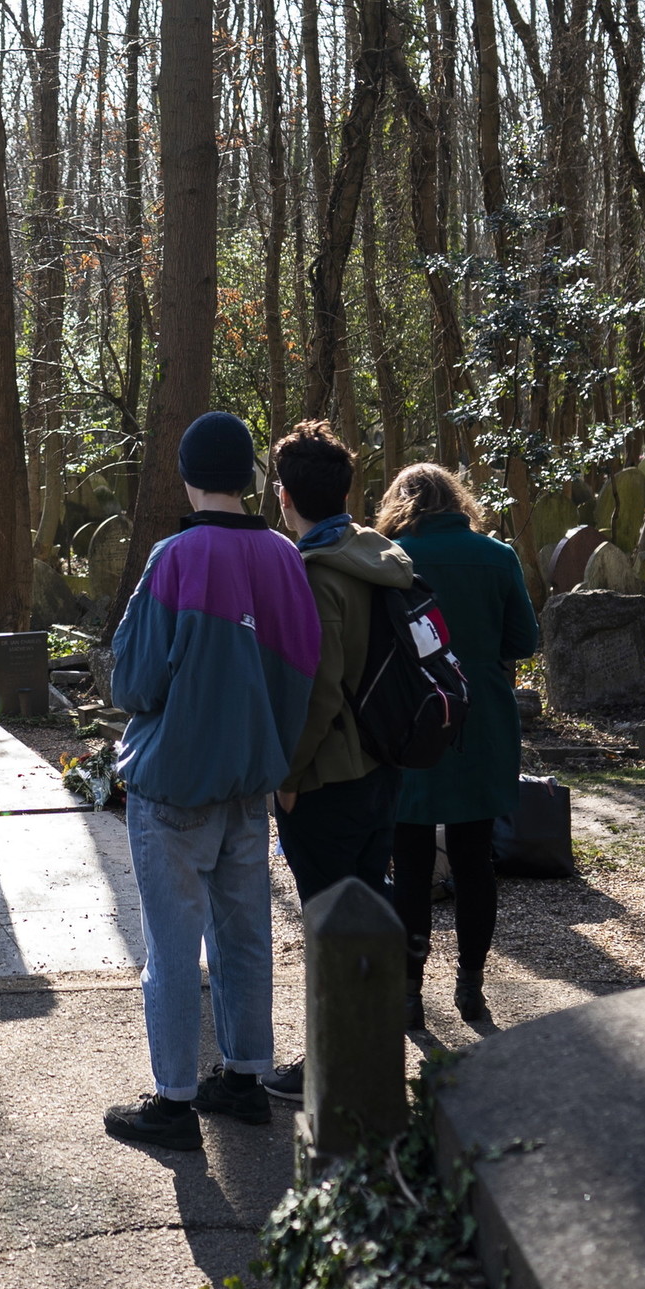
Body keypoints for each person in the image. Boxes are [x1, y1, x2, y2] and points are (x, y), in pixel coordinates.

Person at [102, 411, 321, 1152]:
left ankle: (173, 1100)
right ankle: (246, 1078)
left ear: (190, 477)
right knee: (244, 933)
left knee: (171, 945)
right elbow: (302, 680)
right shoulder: (288, 558)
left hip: (173, 786)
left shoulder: (175, 558)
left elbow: (131, 681)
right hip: (249, 783)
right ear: (250, 477)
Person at [256, 423, 416, 1105]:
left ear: (284, 497)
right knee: (369, 904)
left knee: (331, 920)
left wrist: (287, 779)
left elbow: (319, 694)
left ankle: (333, 1063)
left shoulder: (317, 573)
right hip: (383, 761)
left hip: (328, 778)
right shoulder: (378, 552)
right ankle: (376, 1041)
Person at [372, 464, 537, 1036]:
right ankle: (471, 983)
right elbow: (524, 639)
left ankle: (411, 992)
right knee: (474, 861)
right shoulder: (497, 556)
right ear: (455, 499)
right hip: (481, 722)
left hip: (411, 722)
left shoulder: (390, 558)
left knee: (411, 863)